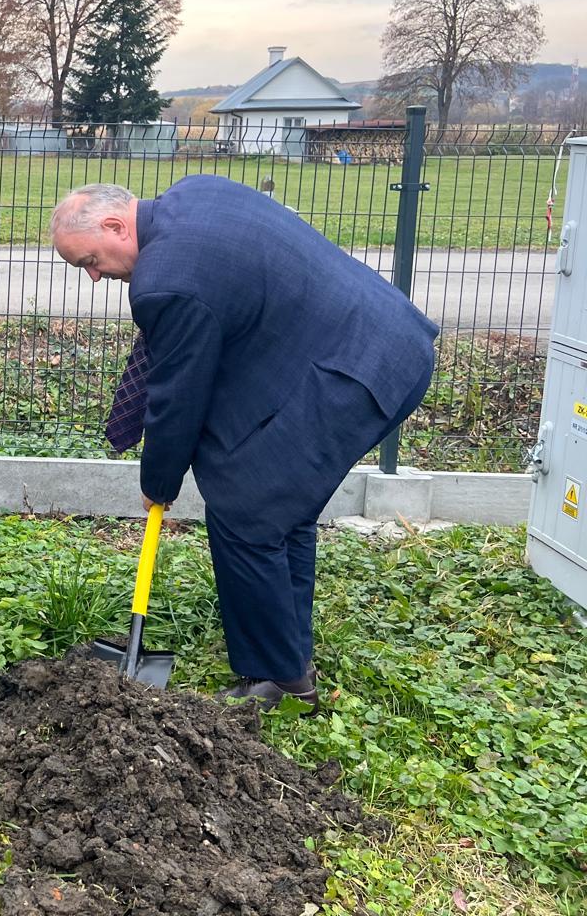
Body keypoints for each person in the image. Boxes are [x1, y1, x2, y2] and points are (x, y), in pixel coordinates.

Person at [50, 178, 437, 711]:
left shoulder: (166, 280)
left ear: (117, 226)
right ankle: (290, 660)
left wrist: (157, 482)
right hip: (369, 339)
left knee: (246, 510)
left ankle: (277, 678)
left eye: (89, 261)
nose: (95, 277)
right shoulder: (196, 193)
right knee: (279, 511)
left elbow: (177, 395)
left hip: (359, 369)